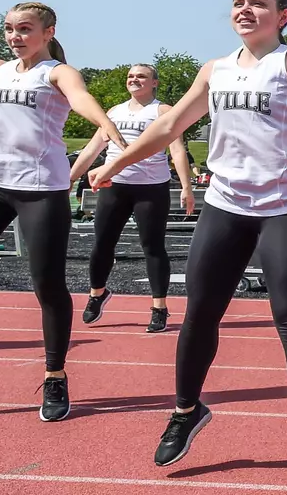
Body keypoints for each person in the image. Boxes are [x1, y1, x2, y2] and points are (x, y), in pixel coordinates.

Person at [90, 0, 287, 495]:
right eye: (238, 3)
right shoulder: (215, 70)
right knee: (199, 314)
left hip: (285, 207)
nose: (244, 10)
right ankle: (186, 411)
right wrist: (117, 162)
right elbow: (170, 124)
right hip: (227, 205)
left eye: (257, 3)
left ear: (284, 15)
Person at [0, 2, 126, 420]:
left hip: (41, 190)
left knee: (47, 285)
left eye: (25, 29)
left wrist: (104, 123)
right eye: (10, 29)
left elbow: (81, 97)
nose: (15, 36)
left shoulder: (56, 72)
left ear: (48, 32)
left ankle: (55, 375)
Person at [70, 64, 196, 333]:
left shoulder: (163, 111)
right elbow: (94, 148)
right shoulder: (115, 111)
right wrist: (69, 179)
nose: (134, 79)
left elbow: (177, 150)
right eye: (130, 76)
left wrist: (186, 186)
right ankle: (97, 293)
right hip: (116, 186)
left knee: (152, 246)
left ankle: (159, 307)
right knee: (102, 243)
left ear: (154, 83)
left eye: (141, 76)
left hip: (151, 188)